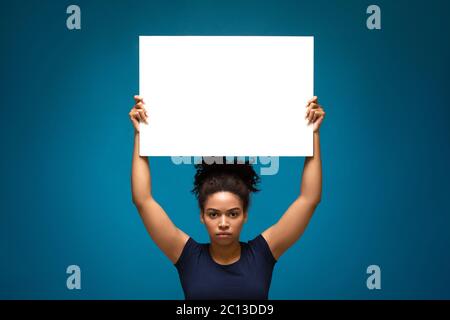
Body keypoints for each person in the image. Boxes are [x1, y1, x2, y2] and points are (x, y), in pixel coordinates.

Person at [129, 95, 325, 300]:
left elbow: (309, 199)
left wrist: (313, 133)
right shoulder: (187, 256)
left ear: (245, 215)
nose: (223, 223)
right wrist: (141, 134)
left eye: (232, 214)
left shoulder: (262, 254)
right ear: (202, 216)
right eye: (213, 214)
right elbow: (143, 200)